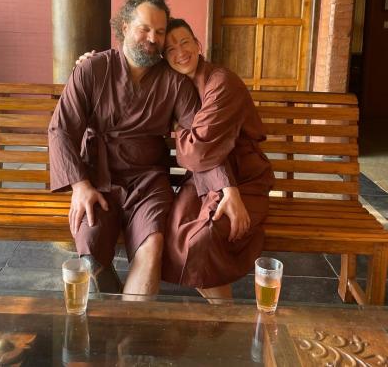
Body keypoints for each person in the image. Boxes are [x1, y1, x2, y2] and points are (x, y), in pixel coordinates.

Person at [49, 0, 233, 297]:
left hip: (148, 180)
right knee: (91, 247)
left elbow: (199, 139)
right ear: (124, 27)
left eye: (159, 32)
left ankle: (128, 324)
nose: (152, 38)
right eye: (144, 28)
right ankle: (107, 287)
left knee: (153, 244)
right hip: (98, 178)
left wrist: (226, 187)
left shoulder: (174, 81)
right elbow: (61, 130)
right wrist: (79, 186)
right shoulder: (92, 69)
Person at [77, 18, 274, 301]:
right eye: (170, 49)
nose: (180, 52)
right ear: (162, 57)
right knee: (172, 230)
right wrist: (92, 63)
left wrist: (228, 187)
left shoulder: (221, 83)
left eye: (185, 42)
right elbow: (126, 64)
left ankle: (225, 314)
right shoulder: (176, 81)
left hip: (243, 175)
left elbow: (197, 151)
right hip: (201, 175)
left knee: (202, 238)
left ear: (198, 44)